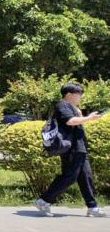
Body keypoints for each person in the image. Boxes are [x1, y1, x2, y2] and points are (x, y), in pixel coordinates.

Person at [35, 83, 106, 218]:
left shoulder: (72, 107)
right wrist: (89, 117)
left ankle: (92, 207)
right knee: (69, 177)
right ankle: (43, 200)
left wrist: (81, 114)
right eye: (79, 94)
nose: (81, 97)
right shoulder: (62, 105)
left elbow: (76, 121)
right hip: (71, 148)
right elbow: (70, 121)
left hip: (80, 147)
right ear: (69, 95)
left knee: (86, 177)